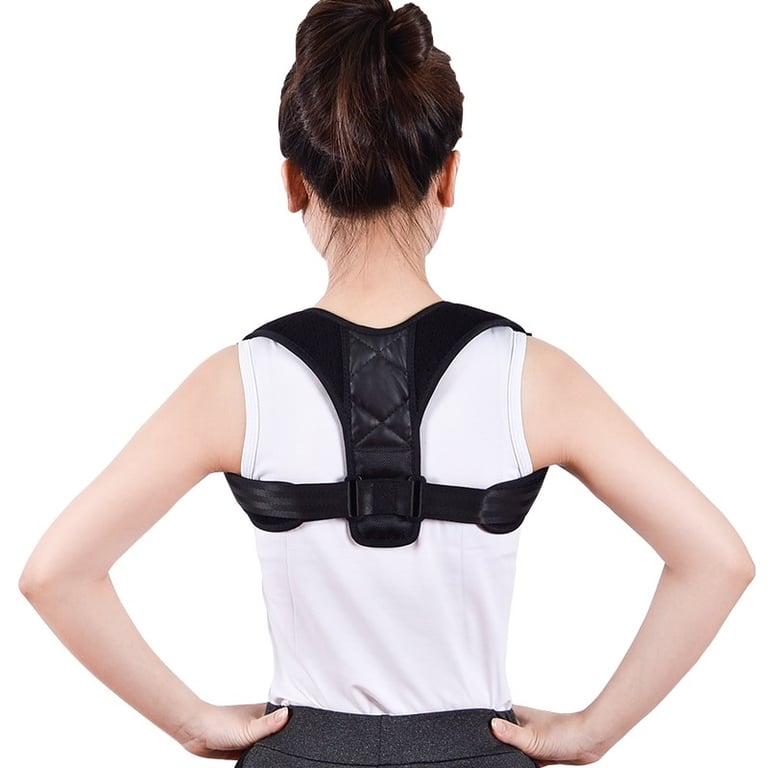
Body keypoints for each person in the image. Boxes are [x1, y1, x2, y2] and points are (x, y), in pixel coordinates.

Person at [19, 1, 754, 766]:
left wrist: (193, 724)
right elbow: (717, 562)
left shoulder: (237, 382)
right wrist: (590, 733)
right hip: (476, 753)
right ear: (449, 177)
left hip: (301, 752)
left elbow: (56, 574)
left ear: (294, 183)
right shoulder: (532, 376)